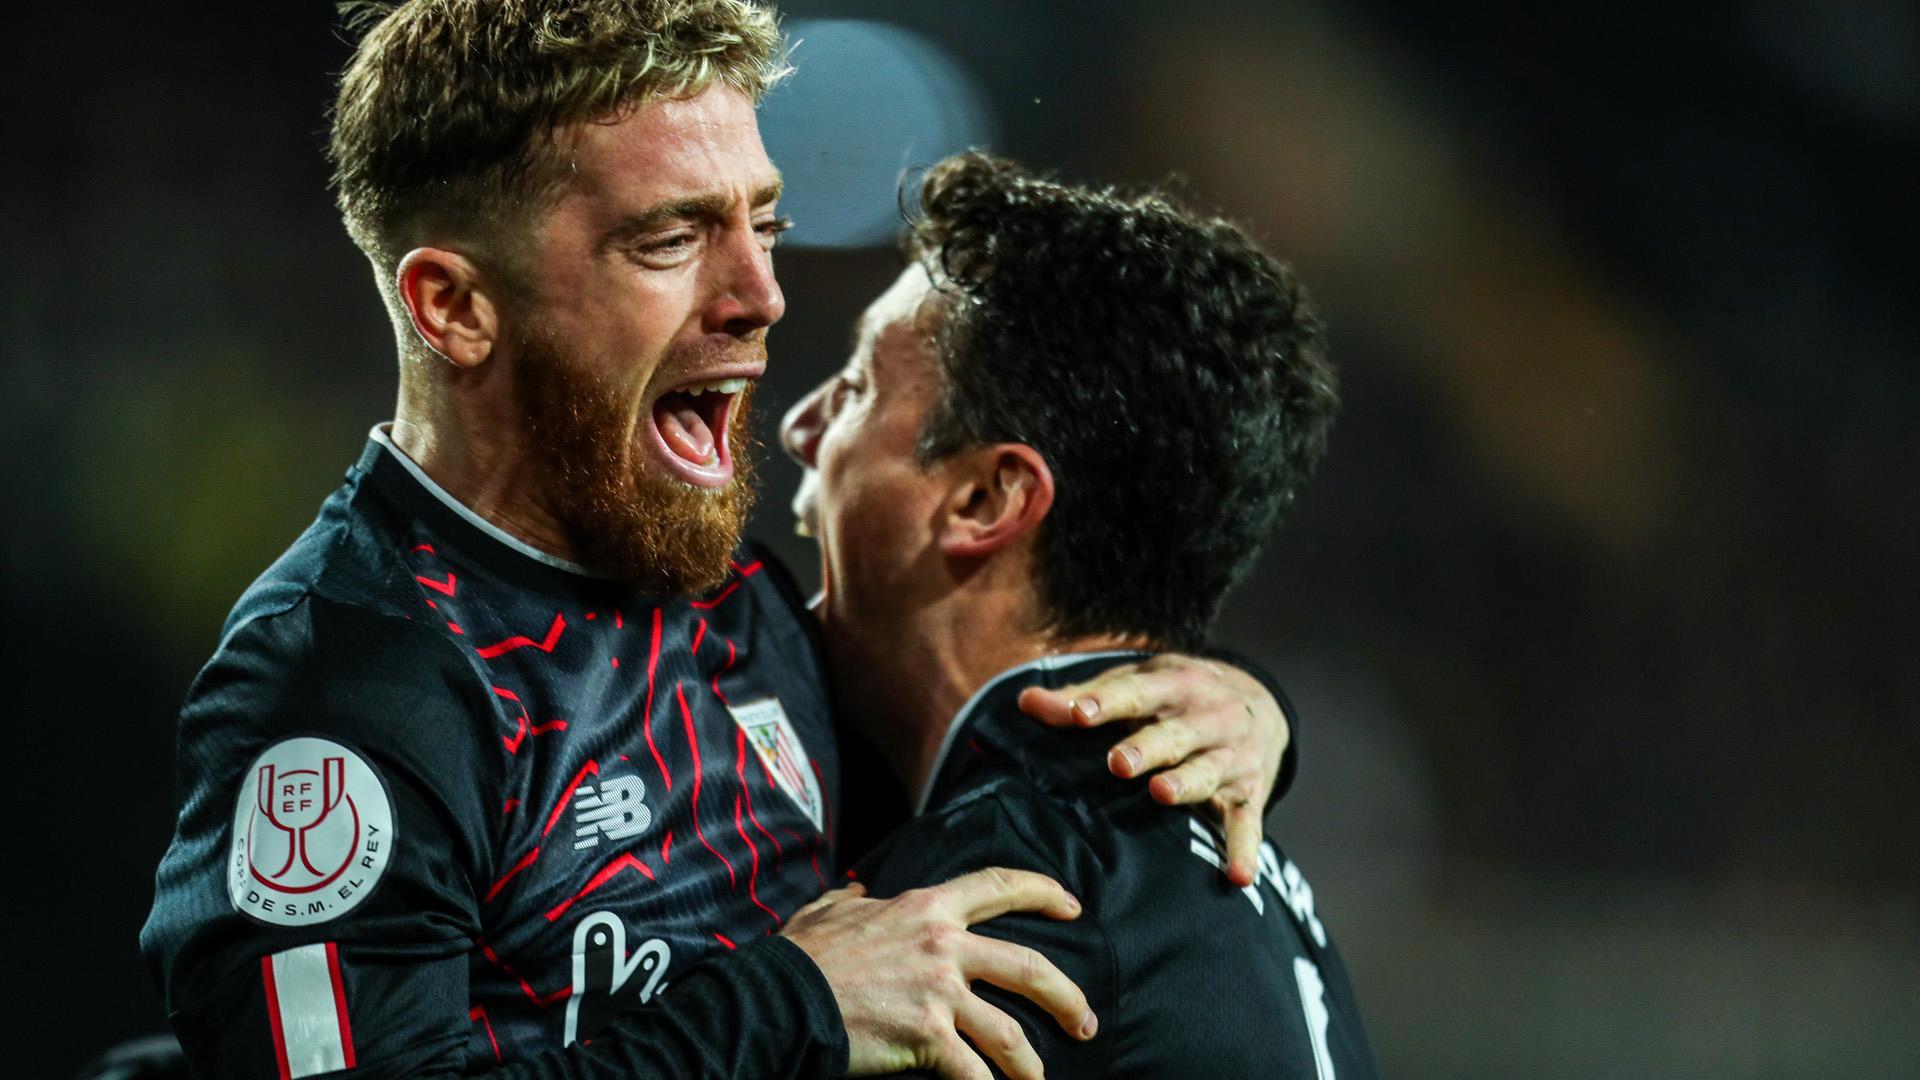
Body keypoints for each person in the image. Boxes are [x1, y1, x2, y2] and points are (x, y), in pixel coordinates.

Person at [139, 3, 1297, 1078]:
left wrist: (1220, 701)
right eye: (670, 239)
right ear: (455, 307)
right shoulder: (351, 694)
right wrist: (790, 1007)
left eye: (764, 221)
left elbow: (981, 714)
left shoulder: (727, 596)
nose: (762, 293)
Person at [778, 153, 1377, 1077]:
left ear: (986, 499)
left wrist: (783, 1003)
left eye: (857, 389)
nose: (802, 427)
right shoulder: (1242, 873)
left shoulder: (998, 890)